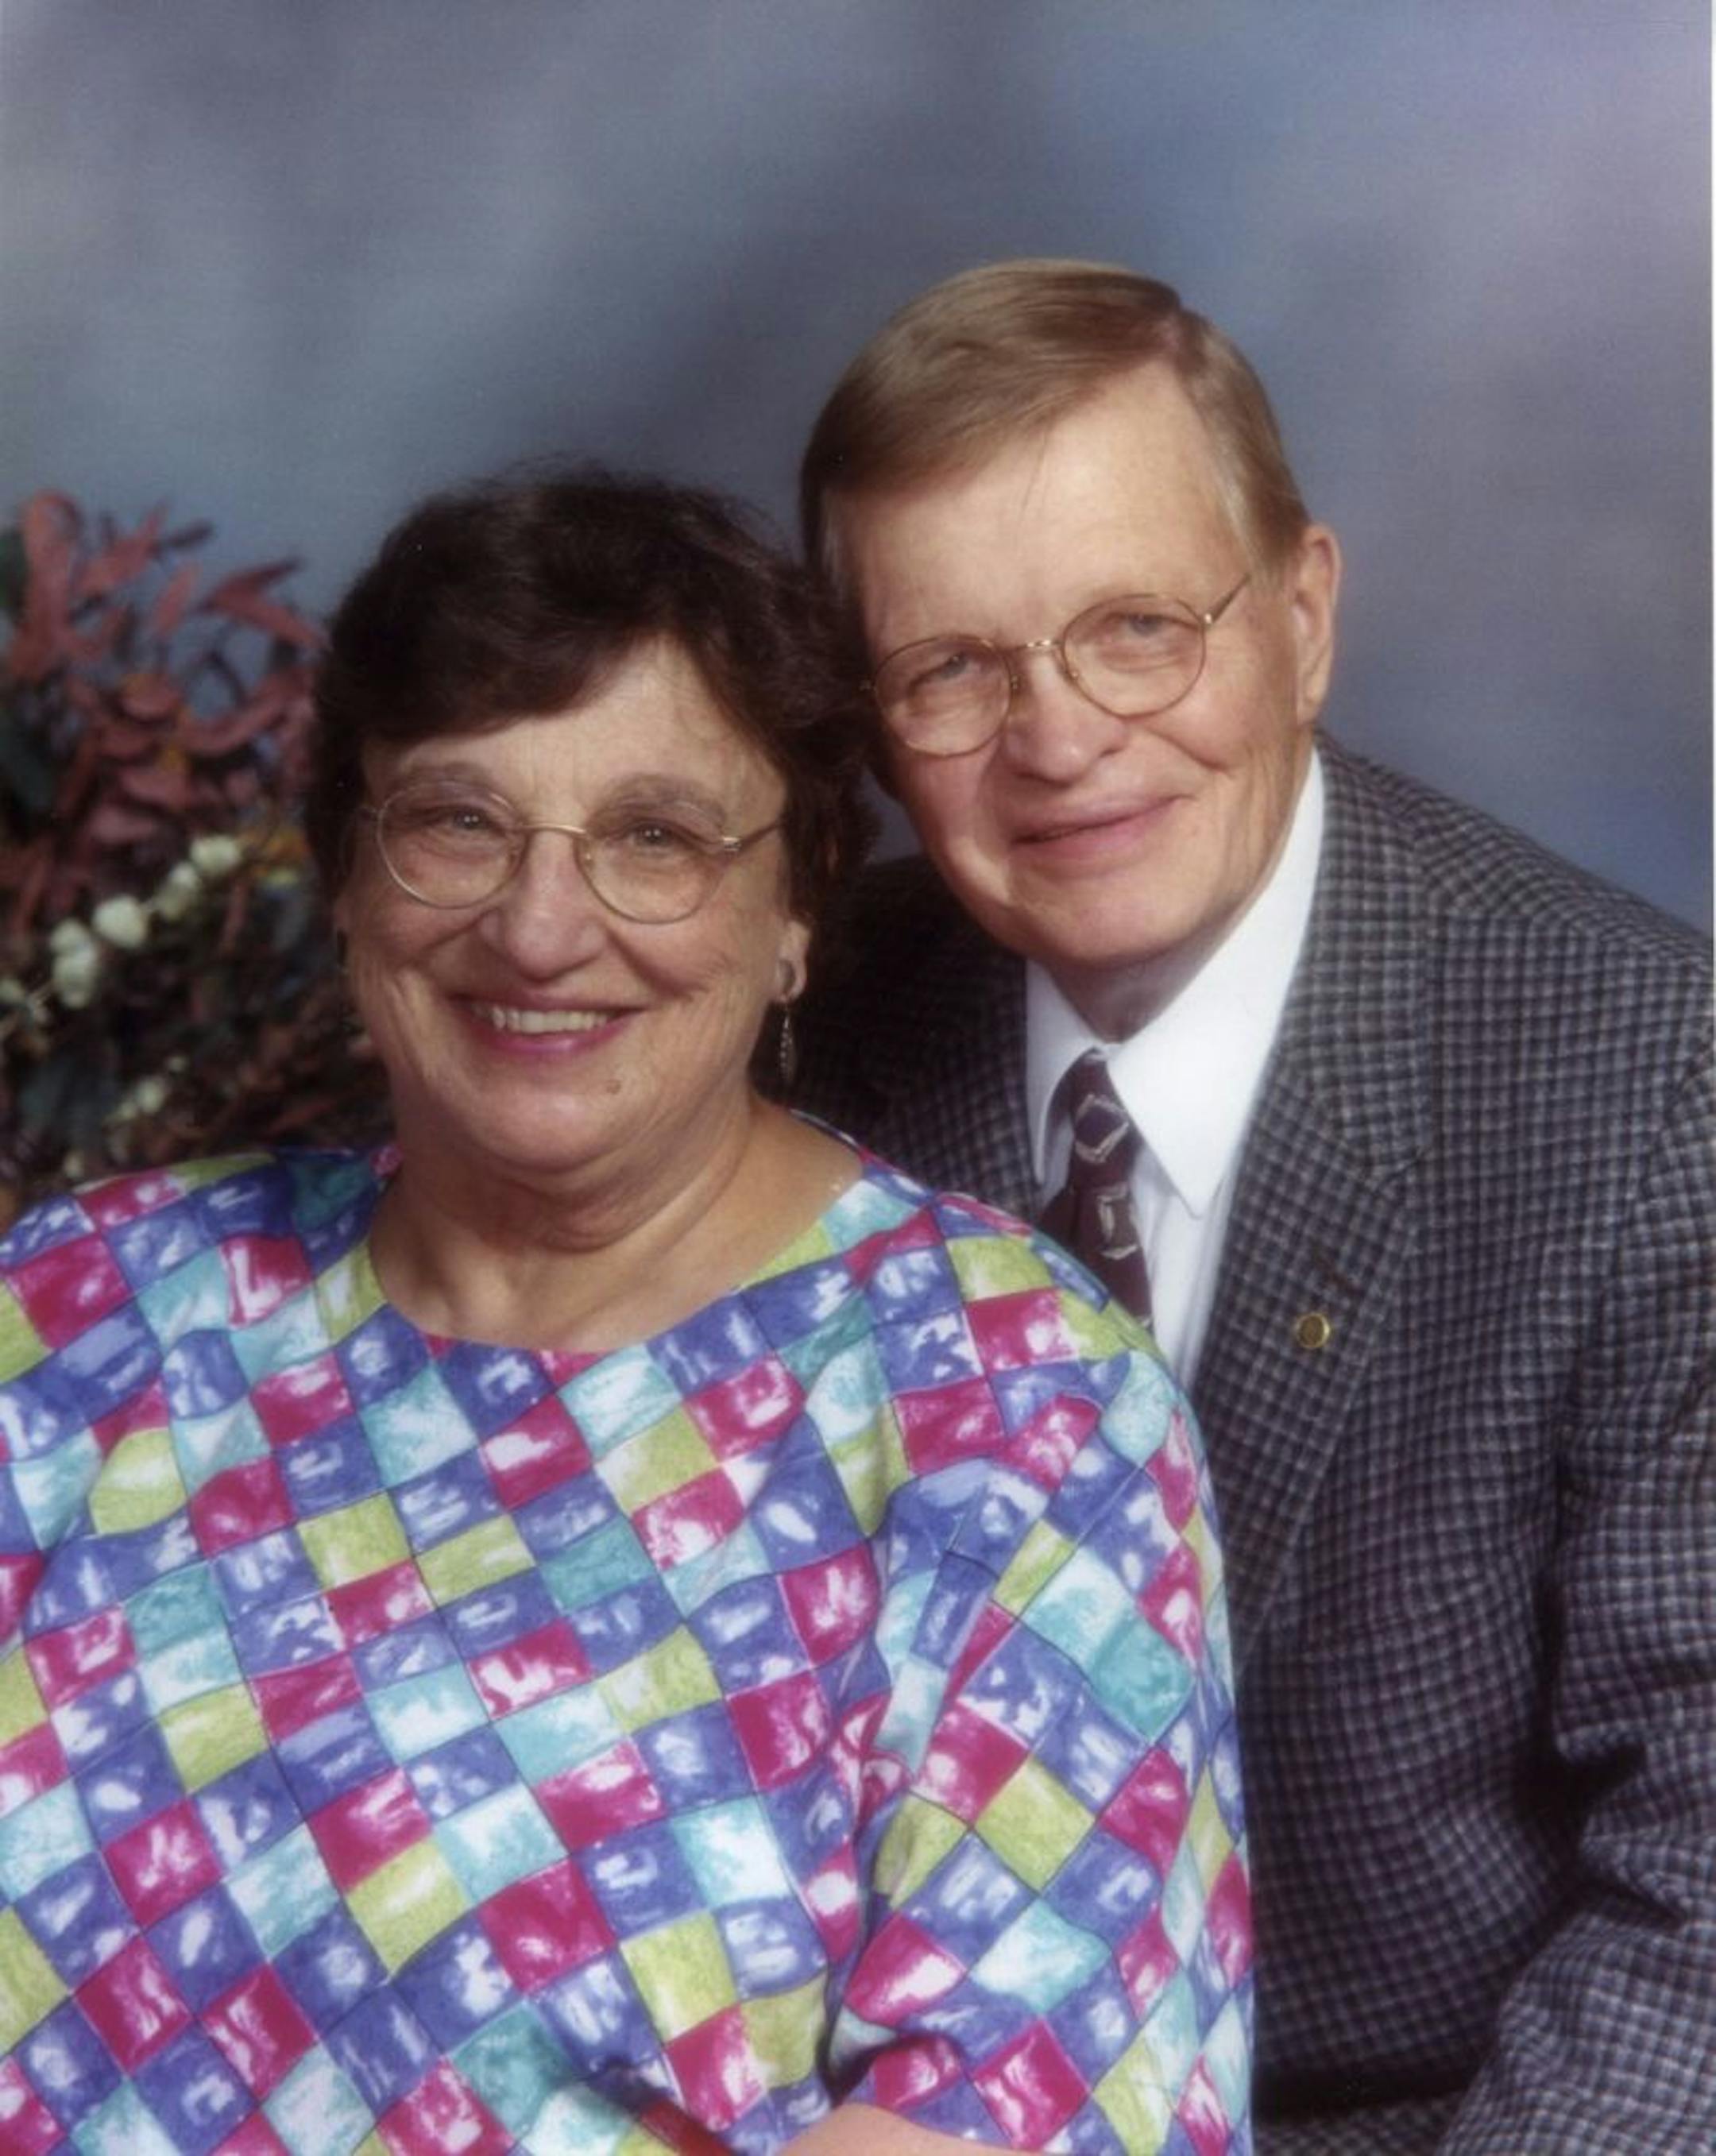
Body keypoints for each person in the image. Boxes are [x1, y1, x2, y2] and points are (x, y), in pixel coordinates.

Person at [0, 470, 1252, 2155]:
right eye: (457, 819)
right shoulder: (76, 1312)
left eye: (655, 836)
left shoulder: (1016, 1407)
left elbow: (1012, 2109)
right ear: (346, 877)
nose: (539, 924)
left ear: (798, 904)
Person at [790, 261, 1715, 2153]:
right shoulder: (811, 1036)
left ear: (1303, 620)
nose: (1058, 741)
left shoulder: (1648, 1089)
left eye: (1139, 627)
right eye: (953, 668)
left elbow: (1706, 1892)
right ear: (872, 726)